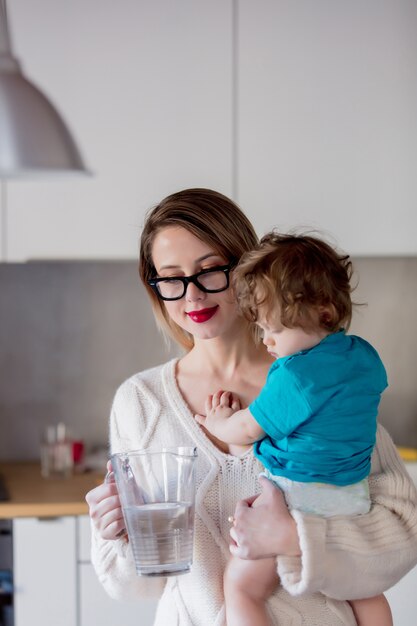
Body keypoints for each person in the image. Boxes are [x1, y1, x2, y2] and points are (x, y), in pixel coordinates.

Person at [85, 188, 417, 626]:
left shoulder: (318, 379)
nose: (193, 296)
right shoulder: (140, 402)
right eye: (171, 278)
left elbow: (402, 533)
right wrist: (118, 534)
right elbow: (132, 586)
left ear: (247, 271)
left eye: (210, 271)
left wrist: (298, 539)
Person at [195, 232, 392, 626]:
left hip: (298, 497)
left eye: (275, 330)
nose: (266, 340)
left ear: (323, 312)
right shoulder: (365, 357)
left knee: (242, 587)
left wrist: (219, 422)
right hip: (353, 498)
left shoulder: (294, 376)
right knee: (365, 593)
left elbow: (247, 429)